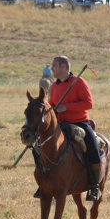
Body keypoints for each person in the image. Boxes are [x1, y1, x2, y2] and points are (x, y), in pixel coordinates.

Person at [33, 56, 102, 202]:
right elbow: (51, 105)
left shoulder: (79, 82)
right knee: (38, 147)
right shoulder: (55, 86)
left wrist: (67, 107)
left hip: (80, 122)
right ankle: (43, 182)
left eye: (54, 66)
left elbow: (88, 103)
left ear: (63, 67)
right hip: (60, 124)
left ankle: (94, 186)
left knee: (93, 149)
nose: (51, 69)